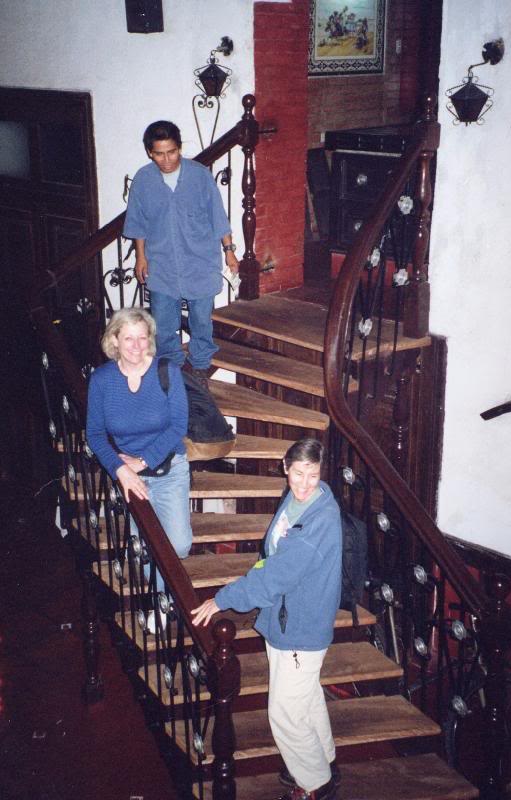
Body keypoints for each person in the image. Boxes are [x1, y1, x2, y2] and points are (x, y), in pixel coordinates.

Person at [192, 439, 343, 800]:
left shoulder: (318, 519)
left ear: (320, 473)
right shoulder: (296, 500)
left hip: (300, 627)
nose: (305, 483)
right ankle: (323, 762)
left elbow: (275, 577)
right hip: (289, 616)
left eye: (313, 474)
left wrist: (222, 598)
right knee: (305, 698)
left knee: (285, 712)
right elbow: (272, 555)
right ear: (285, 467)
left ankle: (316, 785)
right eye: (298, 473)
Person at [123, 119, 239, 388]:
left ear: (179, 148)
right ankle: (171, 366)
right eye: (159, 154)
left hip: (200, 260)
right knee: (164, 324)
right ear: (150, 152)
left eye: (172, 152)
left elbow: (218, 217)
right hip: (161, 263)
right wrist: (141, 257)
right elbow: (138, 223)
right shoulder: (143, 180)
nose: (166, 160)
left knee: (201, 320)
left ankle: (200, 363)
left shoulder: (200, 176)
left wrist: (229, 251)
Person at [86, 307, 192, 592]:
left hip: (169, 468)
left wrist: (142, 461)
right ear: (114, 340)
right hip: (129, 476)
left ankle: (163, 598)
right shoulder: (102, 380)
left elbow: (178, 426)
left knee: (179, 545)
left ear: (150, 339)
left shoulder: (167, 371)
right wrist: (121, 469)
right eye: (128, 338)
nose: (136, 345)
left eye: (142, 337)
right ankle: (163, 601)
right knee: (145, 545)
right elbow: (94, 434)